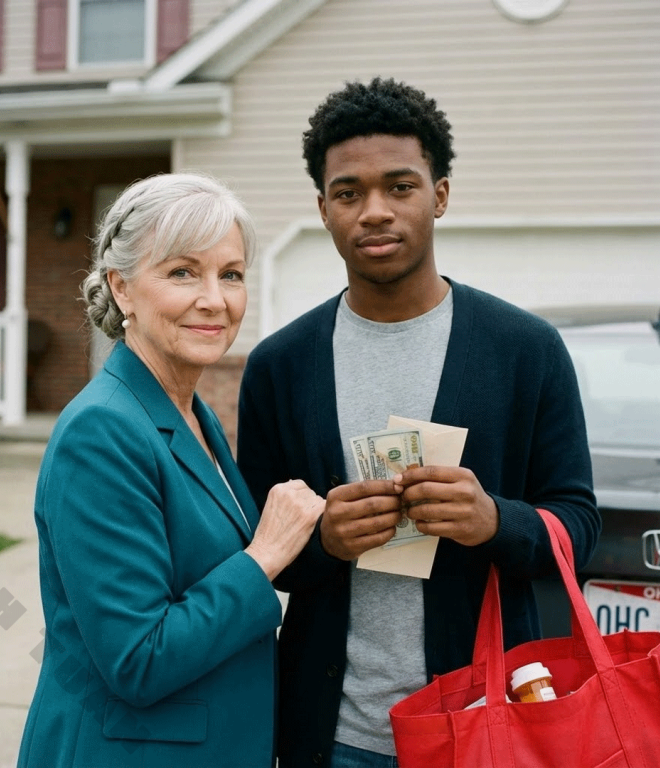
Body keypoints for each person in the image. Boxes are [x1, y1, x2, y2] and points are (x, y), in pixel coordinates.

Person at [236, 78, 600, 768]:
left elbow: (577, 527)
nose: (374, 211)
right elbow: (257, 553)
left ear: (439, 194)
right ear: (322, 208)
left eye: (399, 187)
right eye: (349, 193)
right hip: (331, 732)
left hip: (490, 724)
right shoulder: (279, 366)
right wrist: (324, 541)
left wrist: (494, 519)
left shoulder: (526, 351)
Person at [17, 173, 325, 768]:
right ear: (122, 289)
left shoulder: (192, 413)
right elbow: (139, 657)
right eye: (183, 272)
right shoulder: (101, 432)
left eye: (230, 273)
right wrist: (263, 557)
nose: (215, 298)